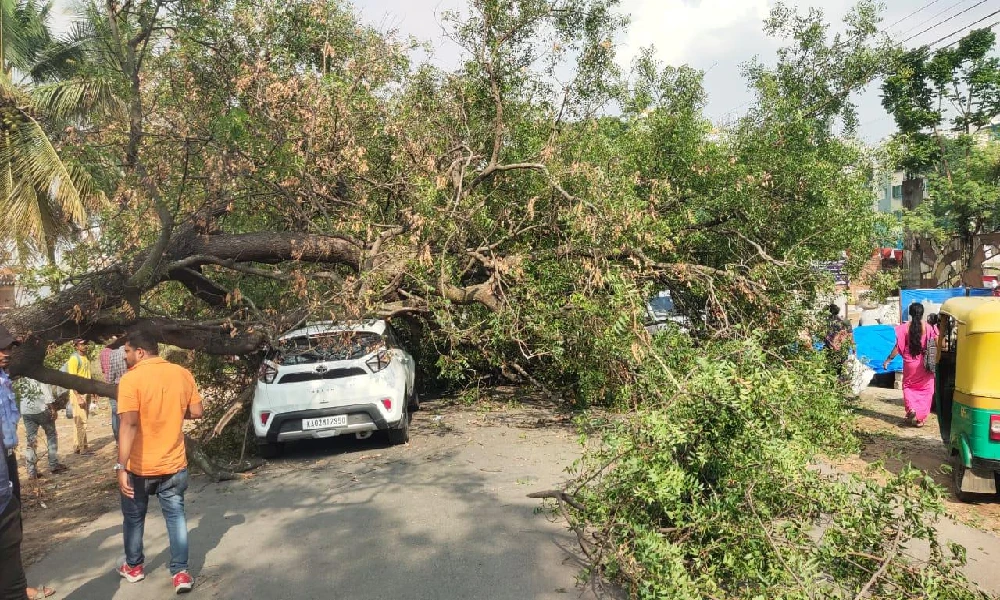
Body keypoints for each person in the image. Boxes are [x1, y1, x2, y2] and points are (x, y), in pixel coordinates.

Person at [115, 329, 203, 594]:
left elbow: (128, 424)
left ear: (140, 352)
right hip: (174, 463)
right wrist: (171, 412)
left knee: (133, 517)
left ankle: (134, 567)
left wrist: (120, 466)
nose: (125, 356)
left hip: (139, 466)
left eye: (127, 351)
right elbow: (197, 411)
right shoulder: (182, 373)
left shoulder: (131, 380)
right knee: (176, 516)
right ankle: (181, 573)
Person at [883, 303, 936, 427]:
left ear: (910, 314)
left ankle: (911, 409)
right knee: (926, 390)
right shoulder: (929, 328)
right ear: (922, 313)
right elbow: (938, 343)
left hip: (910, 363)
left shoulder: (904, 328)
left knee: (908, 386)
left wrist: (888, 360)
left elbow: (897, 347)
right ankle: (920, 419)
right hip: (925, 364)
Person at [18, 379, 67, 480]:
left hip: (26, 410)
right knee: (51, 435)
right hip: (41, 409)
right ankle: (53, 465)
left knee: (31, 441)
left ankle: (32, 471)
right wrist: (53, 408)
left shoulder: (21, 375)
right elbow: (46, 392)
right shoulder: (38, 374)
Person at [65, 339, 93, 454]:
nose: (84, 345)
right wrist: (78, 396)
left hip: (86, 392)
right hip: (78, 394)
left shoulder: (85, 358)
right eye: (82, 344)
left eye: (85, 343)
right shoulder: (73, 359)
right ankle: (83, 449)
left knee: (79, 420)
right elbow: (72, 380)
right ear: (76, 346)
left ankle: (77, 446)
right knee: (82, 421)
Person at [99, 339, 127, 443]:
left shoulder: (109, 354)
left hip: (115, 388)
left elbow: (109, 375)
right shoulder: (131, 351)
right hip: (130, 388)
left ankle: (118, 439)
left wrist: (109, 387)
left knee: (116, 413)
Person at [822, 303, 854, 379]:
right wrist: (853, 348)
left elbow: (823, 336)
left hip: (829, 349)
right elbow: (850, 336)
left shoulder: (825, 323)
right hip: (842, 348)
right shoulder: (845, 322)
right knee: (840, 368)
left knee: (829, 368)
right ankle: (839, 382)